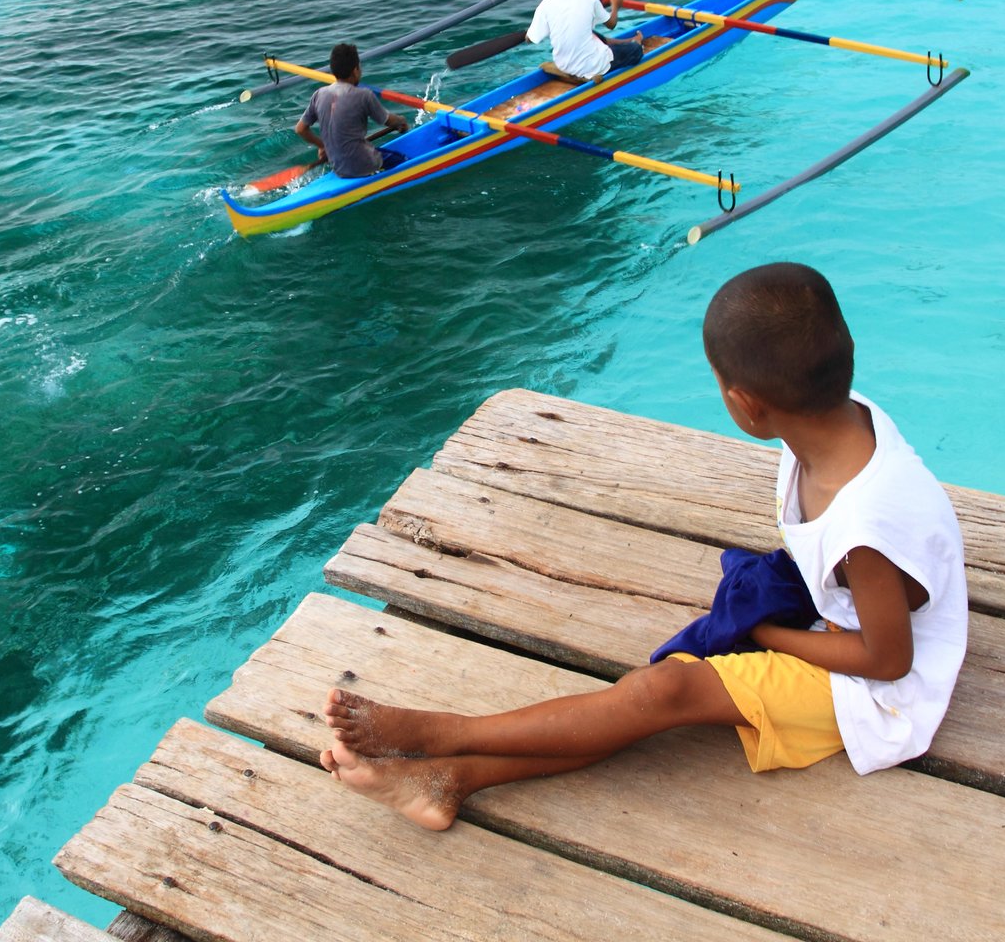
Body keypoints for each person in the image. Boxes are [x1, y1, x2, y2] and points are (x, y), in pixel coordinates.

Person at [319, 262, 968, 831]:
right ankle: (447, 780)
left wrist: (764, 633)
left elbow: (886, 660)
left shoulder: (865, 531)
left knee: (661, 694)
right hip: (844, 622)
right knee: (641, 701)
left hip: (880, 697)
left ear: (744, 405)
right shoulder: (837, 417)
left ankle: (440, 736)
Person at [524, 0, 647, 82]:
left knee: (589, 32)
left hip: (564, 66)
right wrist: (615, 4)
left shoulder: (545, 5)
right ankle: (635, 43)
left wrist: (529, 34)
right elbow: (611, 24)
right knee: (635, 50)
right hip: (593, 66)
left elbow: (529, 39)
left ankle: (626, 41)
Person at [295, 43, 412, 178]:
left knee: (377, 151)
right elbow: (389, 121)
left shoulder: (318, 95)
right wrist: (401, 121)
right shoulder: (364, 95)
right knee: (404, 160)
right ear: (355, 70)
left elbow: (300, 129)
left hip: (338, 167)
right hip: (365, 165)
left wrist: (323, 146)